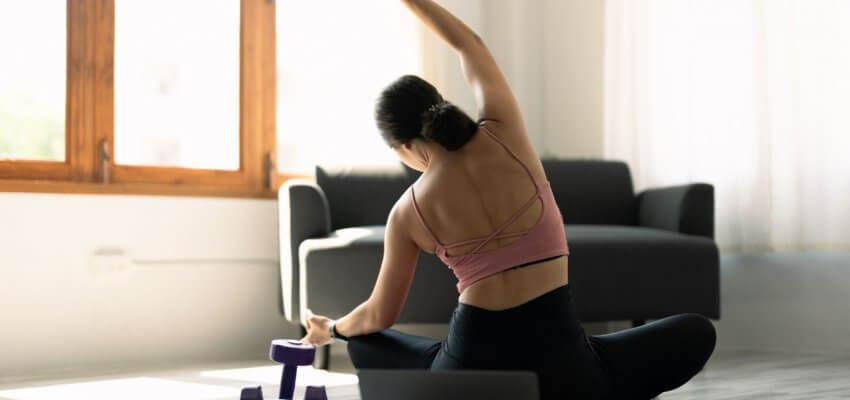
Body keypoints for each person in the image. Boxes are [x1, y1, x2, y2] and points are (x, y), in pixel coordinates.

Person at [300, 0, 716, 398]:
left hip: (467, 371)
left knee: (365, 343)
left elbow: (378, 315)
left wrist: (332, 330)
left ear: (405, 146)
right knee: (696, 331)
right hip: (566, 366)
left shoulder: (407, 212)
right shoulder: (504, 131)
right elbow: (469, 44)